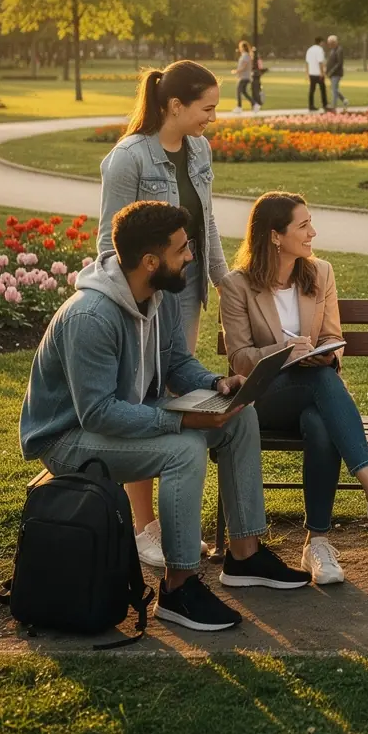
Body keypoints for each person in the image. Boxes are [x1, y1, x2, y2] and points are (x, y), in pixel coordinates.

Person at [21, 202, 310, 633]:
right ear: (150, 261)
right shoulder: (91, 316)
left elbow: (176, 363)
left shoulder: (160, 294)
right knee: (184, 448)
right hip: (68, 437)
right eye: (181, 250)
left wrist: (217, 385)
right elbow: (97, 413)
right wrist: (182, 422)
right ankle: (179, 586)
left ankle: (245, 555)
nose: (191, 257)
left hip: (128, 413)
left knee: (239, 420)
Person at [219, 192, 368, 584]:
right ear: (275, 236)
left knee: (320, 416)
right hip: (264, 399)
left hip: (313, 390)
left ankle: (318, 545)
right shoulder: (237, 284)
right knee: (321, 385)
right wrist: (286, 349)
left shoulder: (320, 273)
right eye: (303, 225)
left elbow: (332, 337)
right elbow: (240, 357)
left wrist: (325, 356)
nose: (313, 232)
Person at [99, 60, 230, 567]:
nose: (212, 118)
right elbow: (109, 243)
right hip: (144, 296)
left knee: (178, 392)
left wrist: (222, 279)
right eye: (207, 108)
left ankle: (171, 523)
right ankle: (144, 527)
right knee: (143, 398)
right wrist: (128, 306)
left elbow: (207, 222)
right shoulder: (128, 158)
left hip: (187, 283)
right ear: (175, 105)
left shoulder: (198, 149)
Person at [325, 35, 349, 110]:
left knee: (334, 89)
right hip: (331, 74)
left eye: (330, 43)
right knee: (334, 89)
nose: (329, 45)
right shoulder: (332, 50)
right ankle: (344, 100)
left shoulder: (339, 50)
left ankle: (334, 106)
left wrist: (331, 71)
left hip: (336, 74)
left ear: (334, 42)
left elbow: (339, 63)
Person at [305, 36, 328, 111]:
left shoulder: (309, 50)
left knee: (312, 90)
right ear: (320, 42)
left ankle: (311, 105)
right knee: (323, 89)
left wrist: (307, 73)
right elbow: (320, 62)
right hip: (318, 73)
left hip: (312, 73)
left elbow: (307, 62)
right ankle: (324, 104)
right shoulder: (319, 50)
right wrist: (322, 72)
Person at [233, 41, 254, 113]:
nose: (239, 48)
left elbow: (244, 67)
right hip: (244, 77)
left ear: (243, 47)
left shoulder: (245, 56)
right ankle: (254, 104)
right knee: (244, 92)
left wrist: (236, 71)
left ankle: (239, 107)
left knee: (238, 91)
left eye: (240, 47)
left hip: (244, 77)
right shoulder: (245, 55)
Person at [250, 46, 265, 111]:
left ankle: (258, 104)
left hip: (256, 78)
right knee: (254, 91)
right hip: (254, 78)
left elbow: (260, 69)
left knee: (256, 92)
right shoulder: (253, 60)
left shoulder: (257, 60)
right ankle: (255, 105)